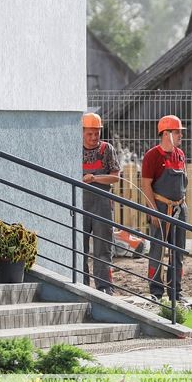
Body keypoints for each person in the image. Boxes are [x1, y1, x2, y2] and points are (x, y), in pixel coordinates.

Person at [141, 115, 188, 303]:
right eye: (177, 132)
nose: (180, 136)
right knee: (158, 251)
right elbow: (146, 185)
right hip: (160, 208)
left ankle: (176, 292)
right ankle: (156, 292)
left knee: (178, 252)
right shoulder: (152, 156)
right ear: (166, 133)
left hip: (179, 208)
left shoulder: (180, 154)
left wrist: (181, 205)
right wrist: (153, 211)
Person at [81, 112, 120, 295]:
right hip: (80, 204)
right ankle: (81, 284)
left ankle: (104, 288)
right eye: (90, 133)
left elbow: (115, 177)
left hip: (103, 204)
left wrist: (95, 178)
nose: (94, 137)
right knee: (78, 245)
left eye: (96, 133)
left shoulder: (107, 150)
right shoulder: (74, 150)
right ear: (82, 132)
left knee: (102, 247)